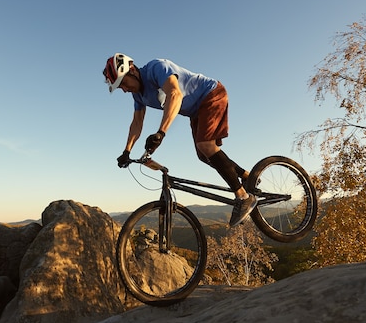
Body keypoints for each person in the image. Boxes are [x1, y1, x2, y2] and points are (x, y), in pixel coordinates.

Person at [102, 53, 257, 227]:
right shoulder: (138, 95)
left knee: (205, 145)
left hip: (211, 93)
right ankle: (247, 176)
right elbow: (137, 122)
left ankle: (243, 197)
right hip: (196, 111)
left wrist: (161, 133)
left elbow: (175, 94)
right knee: (204, 154)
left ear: (132, 71)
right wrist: (126, 151)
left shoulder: (156, 68)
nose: (124, 89)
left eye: (123, 83)